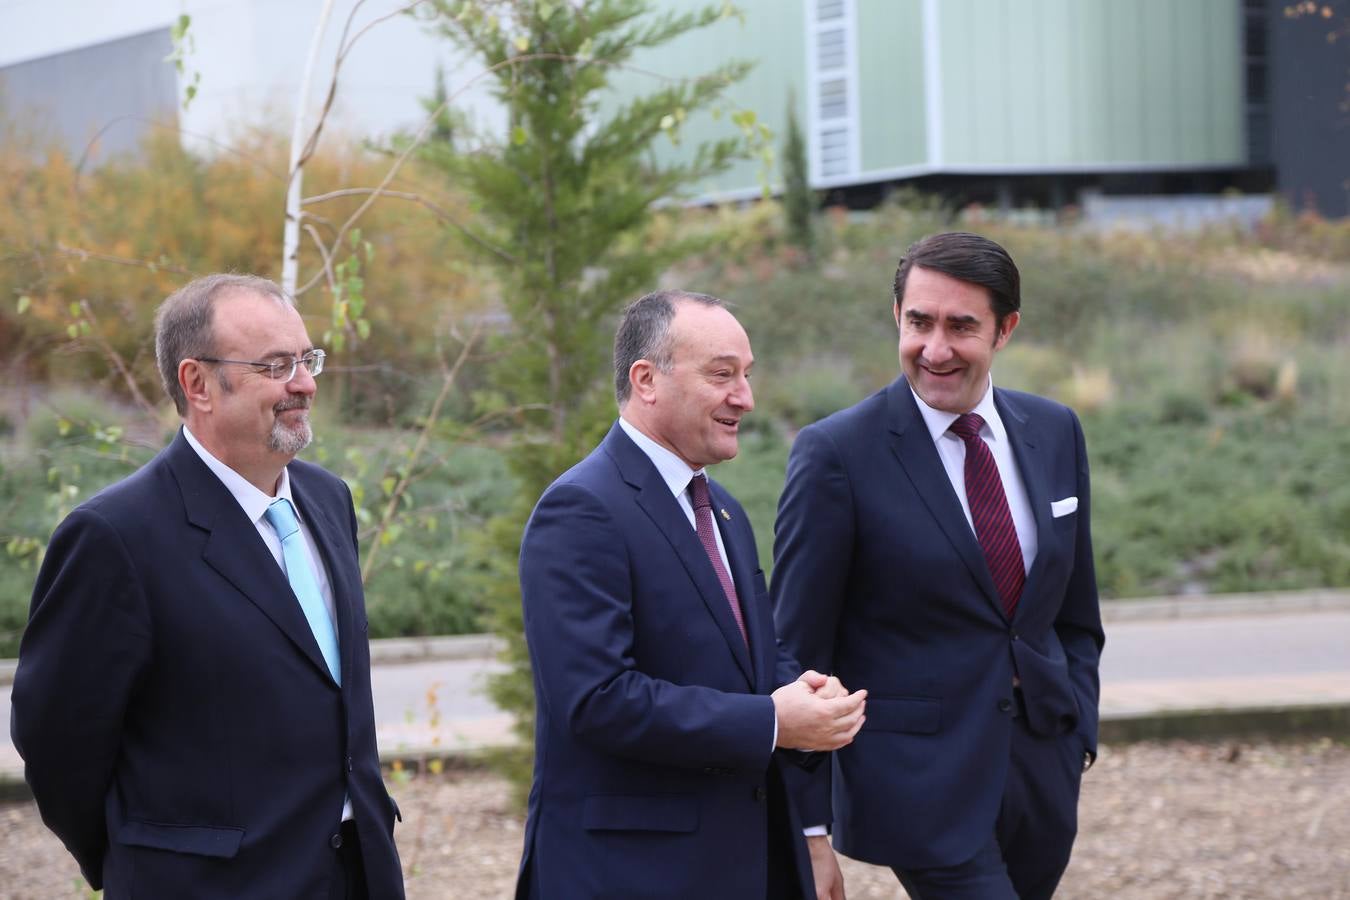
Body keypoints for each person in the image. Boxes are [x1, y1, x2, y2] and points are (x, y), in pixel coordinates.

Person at [10, 274, 404, 899]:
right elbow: (57, 745)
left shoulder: (330, 500)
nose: (304, 384)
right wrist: (146, 865)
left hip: (358, 877)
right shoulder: (115, 536)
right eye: (275, 366)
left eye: (307, 360)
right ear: (198, 385)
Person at [772, 233, 1105, 900]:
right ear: (897, 315)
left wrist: (1077, 726)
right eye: (919, 322)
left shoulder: (1055, 430)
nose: (936, 349)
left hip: (1042, 768)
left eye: (962, 326)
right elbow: (796, 651)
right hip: (914, 783)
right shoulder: (836, 454)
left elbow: (1075, 612)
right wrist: (806, 826)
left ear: (1005, 329)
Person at [515, 289, 867, 899]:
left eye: (747, 376)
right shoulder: (581, 510)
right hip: (632, 874)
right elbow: (597, 700)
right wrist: (772, 721)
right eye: (722, 374)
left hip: (744, 860)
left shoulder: (722, 510)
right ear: (647, 380)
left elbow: (749, 658)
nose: (745, 398)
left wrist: (802, 694)